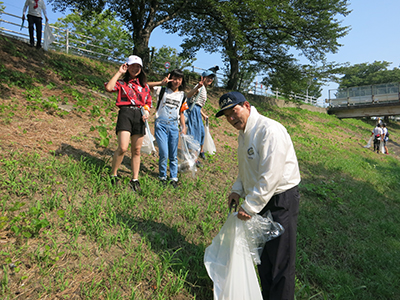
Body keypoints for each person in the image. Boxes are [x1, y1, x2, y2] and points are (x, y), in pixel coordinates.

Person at [215, 91, 301, 300]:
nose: (231, 119)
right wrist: (237, 190)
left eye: (233, 112)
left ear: (246, 105)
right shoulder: (244, 134)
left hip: (281, 200)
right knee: (265, 257)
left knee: (281, 261)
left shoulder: (269, 130)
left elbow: (271, 174)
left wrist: (250, 206)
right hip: (261, 200)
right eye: (226, 115)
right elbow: (246, 169)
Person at [105, 55, 152, 193]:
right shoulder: (121, 83)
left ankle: (135, 179)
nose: (135, 68)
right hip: (125, 113)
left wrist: (147, 111)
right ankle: (113, 174)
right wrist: (120, 72)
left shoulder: (144, 86)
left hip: (139, 115)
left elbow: (148, 102)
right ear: (127, 66)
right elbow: (109, 88)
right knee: (123, 147)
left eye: (138, 66)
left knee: (137, 150)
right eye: (132, 66)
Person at [151, 69, 188, 188]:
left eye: (179, 79)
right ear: (170, 78)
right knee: (163, 152)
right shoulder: (162, 91)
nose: (177, 81)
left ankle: (173, 178)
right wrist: (161, 83)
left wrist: (183, 126)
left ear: (182, 81)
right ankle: (162, 176)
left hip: (173, 126)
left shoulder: (182, 95)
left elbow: (181, 112)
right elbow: (145, 85)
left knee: (173, 154)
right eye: (175, 78)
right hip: (160, 125)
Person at [186, 70, 215, 161]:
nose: (210, 79)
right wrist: (197, 87)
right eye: (208, 77)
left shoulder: (204, 88)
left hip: (197, 111)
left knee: (202, 133)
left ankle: (201, 151)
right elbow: (189, 95)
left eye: (212, 78)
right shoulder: (200, 87)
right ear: (203, 78)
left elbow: (197, 103)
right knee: (195, 134)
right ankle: (193, 158)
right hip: (194, 112)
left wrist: (203, 114)